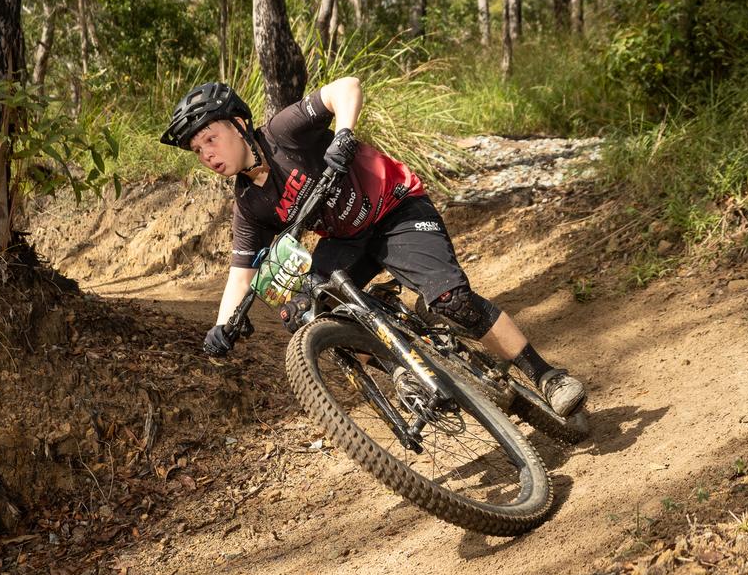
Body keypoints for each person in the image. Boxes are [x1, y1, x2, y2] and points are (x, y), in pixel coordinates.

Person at [159, 77, 586, 417]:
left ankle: (547, 376)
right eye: (197, 150)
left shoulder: (282, 134)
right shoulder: (249, 204)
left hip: (395, 207)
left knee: (453, 302)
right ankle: (402, 368)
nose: (206, 154)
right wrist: (223, 325)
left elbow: (346, 87)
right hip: (348, 241)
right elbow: (242, 271)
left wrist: (343, 136)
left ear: (236, 126)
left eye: (210, 139)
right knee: (300, 312)